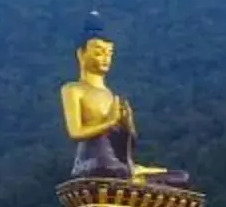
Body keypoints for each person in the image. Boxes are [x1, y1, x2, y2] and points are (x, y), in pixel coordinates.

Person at [60, 13, 186, 187]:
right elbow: (75, 132)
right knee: (112, 169)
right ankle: (132, 177)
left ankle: (135, 177)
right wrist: (110, 122)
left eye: (109, 53)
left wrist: (128, 125)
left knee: (181, 177)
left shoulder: (112, 96)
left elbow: (126, 144)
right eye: (99, 52)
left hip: (119, 163)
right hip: (93, 160)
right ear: (81, 54)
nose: (106, 58)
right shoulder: (73, 89)